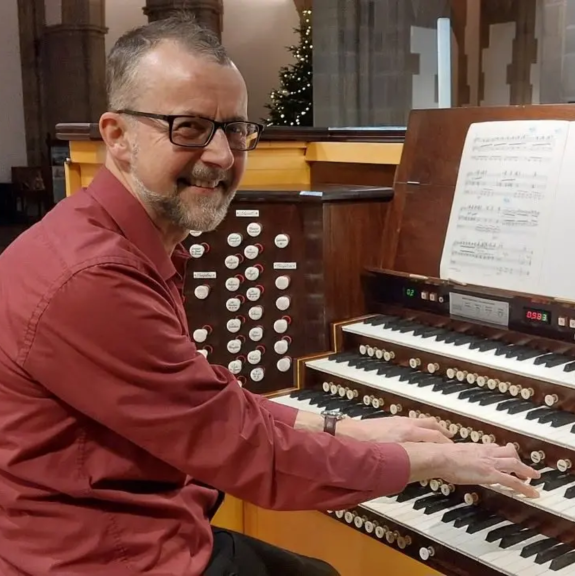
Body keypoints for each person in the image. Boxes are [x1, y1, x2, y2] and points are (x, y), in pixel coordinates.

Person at [0, 14, 539, 576]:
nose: (221, 156)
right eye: (188, 127)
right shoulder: (94, 279)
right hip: (105, 553)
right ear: (117, 137)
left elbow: (211, 404)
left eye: (234, 129)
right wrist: (432, 460)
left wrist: (344, 427)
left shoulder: (111, 238)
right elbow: (251, 453)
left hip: (118, 522)